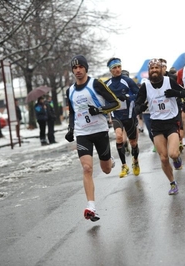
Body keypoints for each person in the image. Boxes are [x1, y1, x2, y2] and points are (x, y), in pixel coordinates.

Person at [65, 55, 120, 222]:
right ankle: (91, 206)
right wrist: (71, 129)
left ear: (86, 68)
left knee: (106, 169)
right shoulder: (70, 91)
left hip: (100, 130)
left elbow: (115, 103)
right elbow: (73, 112)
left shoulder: (95, 84)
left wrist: (100, 110)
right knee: (87, 168)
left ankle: (109, 160)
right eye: (75, 68)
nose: (78, 70)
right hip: (82, 134)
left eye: (81, 67)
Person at [134, 58, 185, 195]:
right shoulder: (146, 86)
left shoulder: (169, 81)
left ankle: (177, 159)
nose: (154, 70)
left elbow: (184, 93)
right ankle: (172, 183)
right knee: (163, 158)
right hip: (156, 124)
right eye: (152, 68)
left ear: (161, 69)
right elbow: (137, 105)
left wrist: (174, 93)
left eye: (157, 68)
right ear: (149, 71)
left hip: (171, 121)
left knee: (173, 153)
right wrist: (141, 107)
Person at [105, 57, 141, 177]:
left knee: (133, 142)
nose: (118, 69)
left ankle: (135, 161)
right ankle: (124, 165)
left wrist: (128, 97)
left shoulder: (128, 81)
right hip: (116, 115)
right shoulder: (107, 84)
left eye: (119, 67)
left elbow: (139, 95)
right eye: (114, 68)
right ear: (110, 70)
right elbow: (102, 99)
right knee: (119, 137)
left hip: (129, 115)